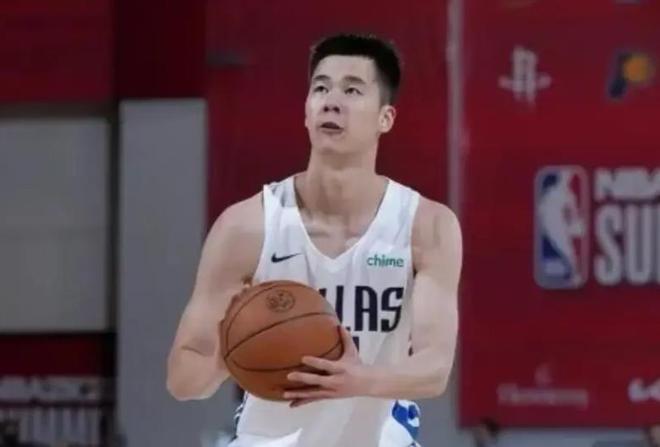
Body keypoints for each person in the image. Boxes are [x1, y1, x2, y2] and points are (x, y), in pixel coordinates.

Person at [166, 32, 462, 446]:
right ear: (306, 112)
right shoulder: (246, 227)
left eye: (352, 90)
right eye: (321, 88)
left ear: (386, 118)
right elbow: (182, 380)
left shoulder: (426, 226)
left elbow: (434, 369)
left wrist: (358, 380)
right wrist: (234, 350)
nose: (331, 101)